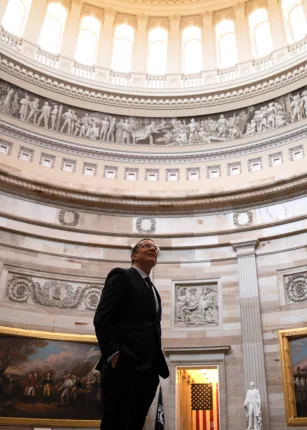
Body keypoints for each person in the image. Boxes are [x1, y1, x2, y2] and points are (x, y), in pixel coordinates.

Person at [94, 238, 169, 430]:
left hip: (149, 369)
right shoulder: (121, 275)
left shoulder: (152, 288)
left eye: (155, 247)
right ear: (133, 255)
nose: (152, 248)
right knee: (116, 423)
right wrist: (114, 354)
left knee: (136, 423)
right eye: (146, 245)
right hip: (124, 364)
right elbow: (103, 317)